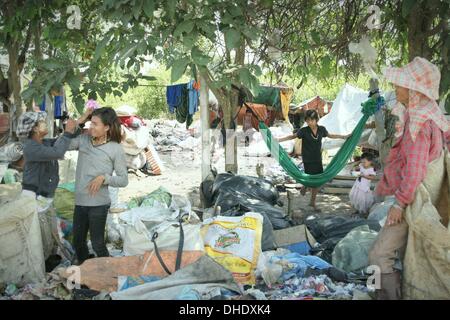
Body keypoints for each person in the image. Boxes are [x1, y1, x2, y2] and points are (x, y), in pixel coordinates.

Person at [368, 57, 449, 300]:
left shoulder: (419, 123)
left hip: (413, 200)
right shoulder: (433, 116)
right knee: (409, 258)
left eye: (400, 84)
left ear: (414, 90)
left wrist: (399, 203)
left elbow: (414, 172)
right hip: (429, 204)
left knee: (379, 255)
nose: (396, 88)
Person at [69, 107, 128, 264]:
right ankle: (86, 274)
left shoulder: (115, 149)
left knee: (97, 244)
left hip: (98, 204)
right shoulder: (83, 140)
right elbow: (64, 144)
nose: (91, 127)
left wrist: (104, 178)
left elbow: (123, 180)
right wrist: (80, 120)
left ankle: (107, 275)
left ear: (107, 127)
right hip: (80, 202)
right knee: (78, 243)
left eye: (95, 124)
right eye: (90, 123)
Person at [278, 109, 351, 211]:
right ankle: (308, 193)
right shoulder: (304, 131)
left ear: (316, 120)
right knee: (312, 178)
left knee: (317, 181)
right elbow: (292, 136)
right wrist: (279, 140)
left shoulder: (322, 129)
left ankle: (308, 195)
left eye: (312, 120)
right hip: (307, 158)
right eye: (308, 120)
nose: (310, 122)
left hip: (317, 158)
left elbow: (330, 135)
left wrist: (344, 137)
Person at [16, 111, 78, 198]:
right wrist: (67, 132)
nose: (45, 123)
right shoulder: (30, 147)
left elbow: (62, 142)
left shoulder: (44, 142)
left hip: (44, 194)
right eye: (42, 122)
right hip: (33, 195)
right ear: (35, 129)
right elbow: (57, 152)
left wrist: (79, 122)